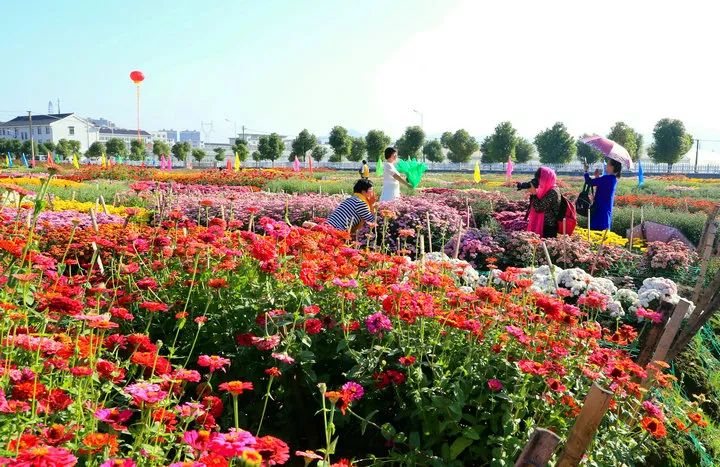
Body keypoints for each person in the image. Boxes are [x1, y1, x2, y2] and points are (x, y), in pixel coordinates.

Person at [584, 158, 621, 231]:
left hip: (600, 209)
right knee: (603, 233)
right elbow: (602, 187)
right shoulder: (612, 178)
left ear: (612, 167)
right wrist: (597, 177)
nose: (606, 166)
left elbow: (589, 182)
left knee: (597, 232)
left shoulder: (607, 178)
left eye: (608, 164)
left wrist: (586, 171)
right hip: (605, 208)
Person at [526, 166, 561, 238]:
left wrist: (534, 194)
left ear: (546, 179)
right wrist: (533, 194)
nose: (539, 182)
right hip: (544, 225)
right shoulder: (546, 189)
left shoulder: (553, 192)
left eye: (540, 179)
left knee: (547, 248)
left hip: (549, 227)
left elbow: (539, 208)